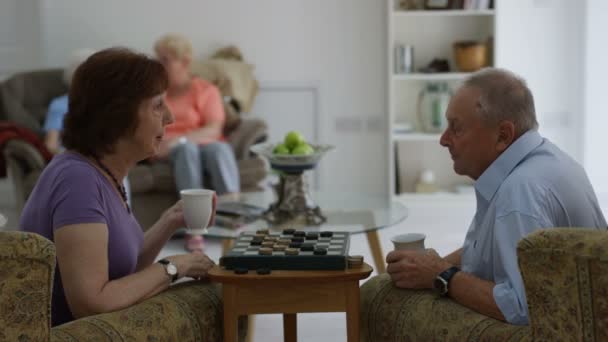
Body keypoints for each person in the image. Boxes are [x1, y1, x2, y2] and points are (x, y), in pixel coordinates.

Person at [384, 68, 606, 325]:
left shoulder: (521, 192)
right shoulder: (545, 160)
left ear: (503, 135)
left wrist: (441, 273)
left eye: (456, 129)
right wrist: (430, 266)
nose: (443, 140)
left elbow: (521, 307)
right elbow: (491, 249)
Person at [20, 48, 217, 327]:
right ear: (119, 115)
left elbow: (123, 269)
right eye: (158, 105)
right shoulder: (78, 180)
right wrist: (174, 267)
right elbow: (91, 302)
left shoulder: (105, 173)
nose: (170, 117)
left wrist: (170, 221)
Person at [153, 33, 240, 252]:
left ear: (184, 62)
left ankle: (234, 216)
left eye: (165, 60)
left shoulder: (206, 90)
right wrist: (175, 143)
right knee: (186, 149)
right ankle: (194, 227)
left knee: (220, 148)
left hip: (204, 144)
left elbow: (214, 128)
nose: (159, 65)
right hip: (174, 150)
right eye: (158, 59)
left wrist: (180, 139)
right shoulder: (155, 93)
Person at [43, 49, 131, 203]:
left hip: (104, 155)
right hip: (73, 155)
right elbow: (51, 145)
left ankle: (123, 217)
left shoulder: (106, 105)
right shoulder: (60, 105)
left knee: (116, 167)